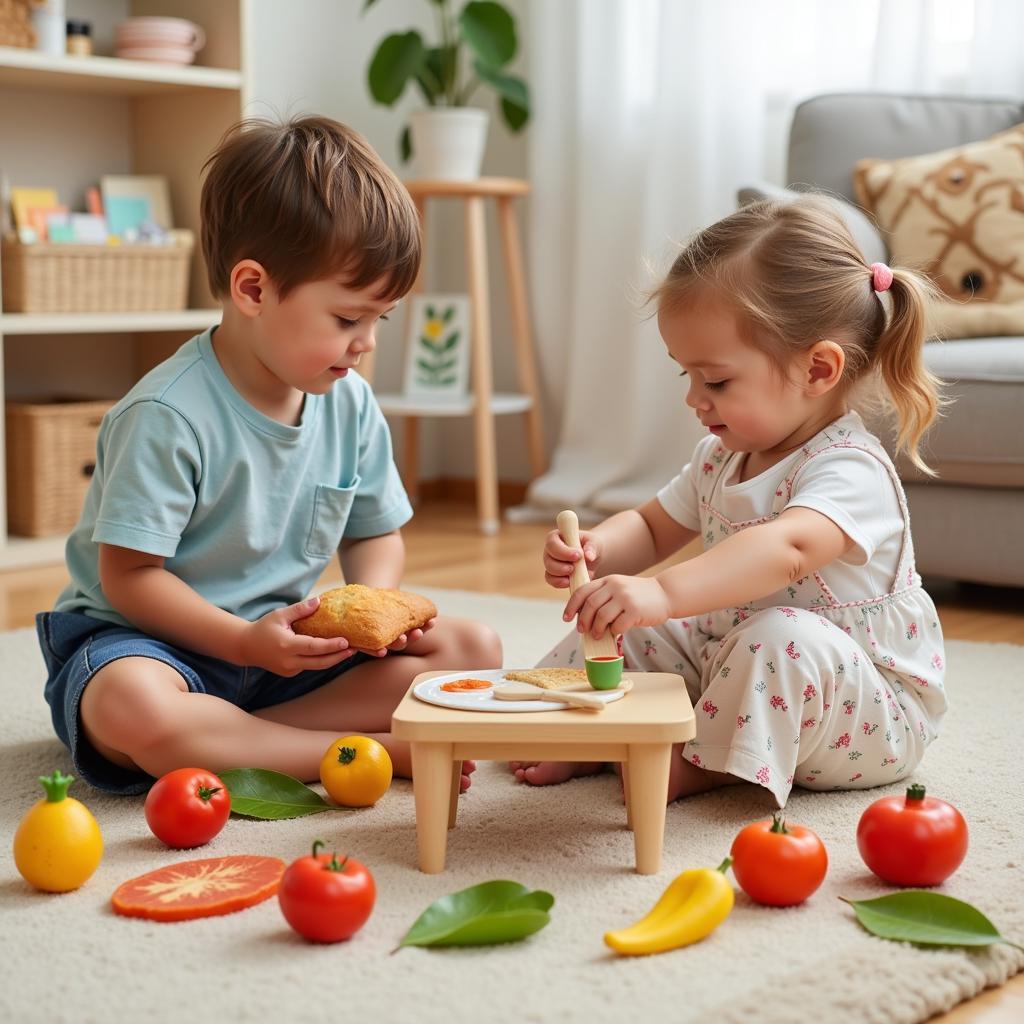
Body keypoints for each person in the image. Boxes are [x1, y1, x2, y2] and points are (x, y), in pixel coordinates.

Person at [37, 116, 501, 796]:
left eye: (381, 319)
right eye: (348, 319)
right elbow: (130, 578)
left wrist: (376, 609)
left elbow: (375, 533)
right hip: (150, 644)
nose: (367, 342)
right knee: (132, 706)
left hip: (282, 653)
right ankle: (347, 752)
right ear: (253, 289)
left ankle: (241, 739)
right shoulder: (165, 414)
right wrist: (240, 644)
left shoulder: (349, 401)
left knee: (475, 650)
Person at [512, 196, 947, 807]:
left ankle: (706, 765)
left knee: (777, 635)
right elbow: (653, 525)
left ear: (818, 370)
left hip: (861, 712)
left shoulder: (851, 469)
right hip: (734, 660)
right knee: (631, 631)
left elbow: (788, 549)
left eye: (715, 380)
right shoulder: (719, 456)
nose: (695, 398)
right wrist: (601, 548)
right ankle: (580, 725)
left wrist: (661, 593)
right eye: (684, 375)